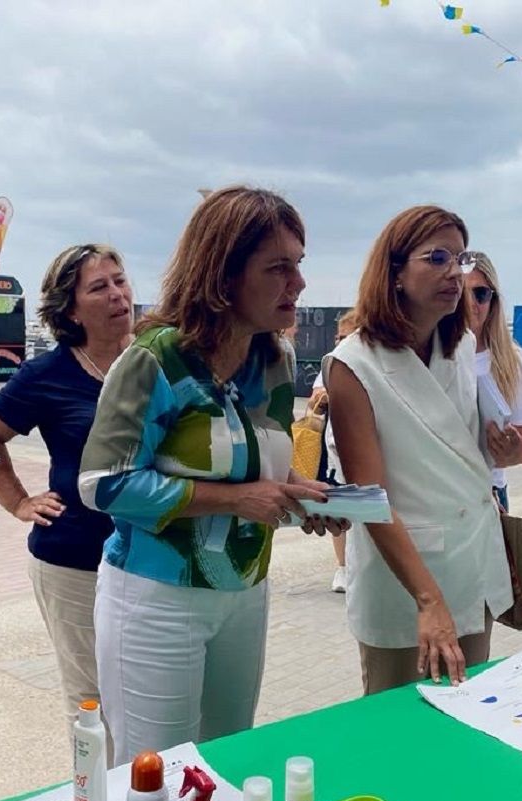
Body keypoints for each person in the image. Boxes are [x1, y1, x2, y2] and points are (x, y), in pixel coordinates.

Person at [78, 187, 345, 764]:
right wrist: (237, 499)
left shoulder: (271, 360)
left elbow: (261, 474)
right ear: (224, 276)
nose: (297, 283)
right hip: (157, 597)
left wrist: (302, 500)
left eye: (298, 265)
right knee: (154, 780)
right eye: (278, 268)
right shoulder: (155, 359)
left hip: (245, 591)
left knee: (225, 766)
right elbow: (103, 483)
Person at [325, 205, 512, 695]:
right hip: (406, 580)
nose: (455, 272)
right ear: (395, 273)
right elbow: (369, 497)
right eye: (436, 258)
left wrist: (503, 448)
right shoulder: (353, 365)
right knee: (397, 731)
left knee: (467, 715)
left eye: (460, 257)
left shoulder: (463, 346)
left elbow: (463, 456)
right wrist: (428, 601)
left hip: (472, 565)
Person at [0, 243, 134, 756]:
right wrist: (18, 501)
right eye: (98, 287)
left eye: (120, 280)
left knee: (144, 694)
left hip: (153, 557)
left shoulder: (156, 358)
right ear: (69, 309)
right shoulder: (48, 374)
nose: (117, 294)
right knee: (92, 698)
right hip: (74, 559)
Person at [465, 251, 522, 509]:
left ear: (493, 301)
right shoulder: (426, 353)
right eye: (461, 292)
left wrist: (513, 452)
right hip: (434, 490)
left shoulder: (513, 362)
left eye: (481, 294)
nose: (470, 302)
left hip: (489, 490)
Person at [308, 309, 358, 593]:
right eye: (339, 337)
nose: (342, 342)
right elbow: (317, 394)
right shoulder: (331, 364)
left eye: (347, 336)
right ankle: (342, 567)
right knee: (338, 503)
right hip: (335, 449)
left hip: (363, 447)